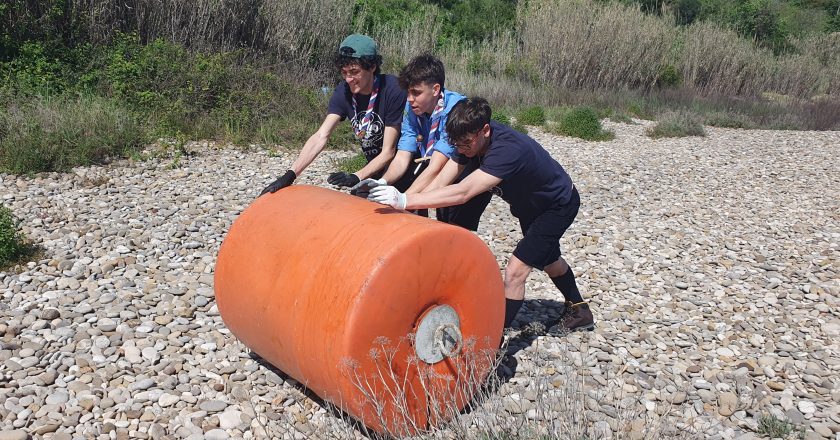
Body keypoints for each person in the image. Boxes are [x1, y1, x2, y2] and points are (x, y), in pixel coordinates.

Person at [366, 97, 594, 333]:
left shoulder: (507, 150)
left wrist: (404, 199)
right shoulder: (469, 139)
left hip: (557, 205)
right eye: (457, 144)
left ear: (485, 130)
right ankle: (580, 311)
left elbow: (464, 192)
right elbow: (443, 181)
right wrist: (405, 204)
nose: (462, 149)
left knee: (515, 272)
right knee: (548, 260)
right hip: (529, 207)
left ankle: (492, 341)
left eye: (465, 143)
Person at [351, 54, 491, 231]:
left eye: (416, 93)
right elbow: (402, 156)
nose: (409, 98)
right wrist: (383, 182)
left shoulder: (456, 110)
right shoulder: (412, 107)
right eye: (408, 92)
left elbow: (436, 167)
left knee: (456, 228)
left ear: (435, 89)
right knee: (438, 223)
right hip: (438, 168)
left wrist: (403, 200)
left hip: (466, 171)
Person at [260, 34, 411, 195]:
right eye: (344, 72)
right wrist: (290, 175)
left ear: (372, 67)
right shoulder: (343, 91)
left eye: (354, 72)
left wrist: (356, 176)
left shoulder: (393, 89)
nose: (348, 79)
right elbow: (321, 136)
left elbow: (389, 151)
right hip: (374, 168)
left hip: (404, 168)